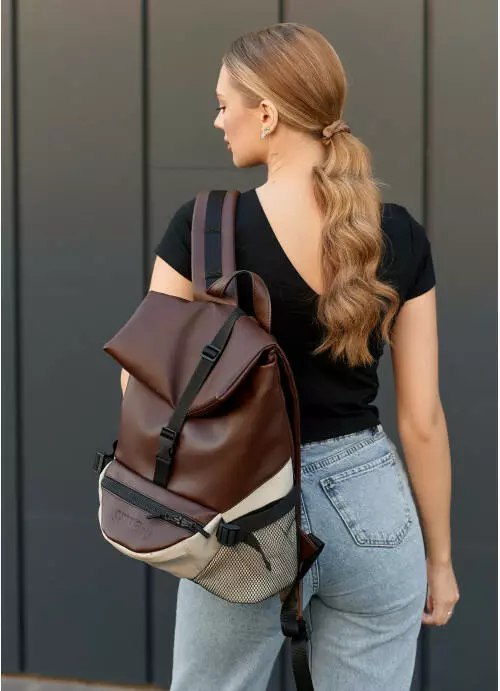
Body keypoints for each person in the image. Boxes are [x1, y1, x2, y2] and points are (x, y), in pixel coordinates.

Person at [122, 22, 459, 691]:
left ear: (268, 114)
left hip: (240, 503)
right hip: (373, 511)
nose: (218, 120)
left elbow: (141, 388)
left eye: (224, 104)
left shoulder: (202, 228)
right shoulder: (396, 233)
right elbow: (422, 420)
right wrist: (441, 559)